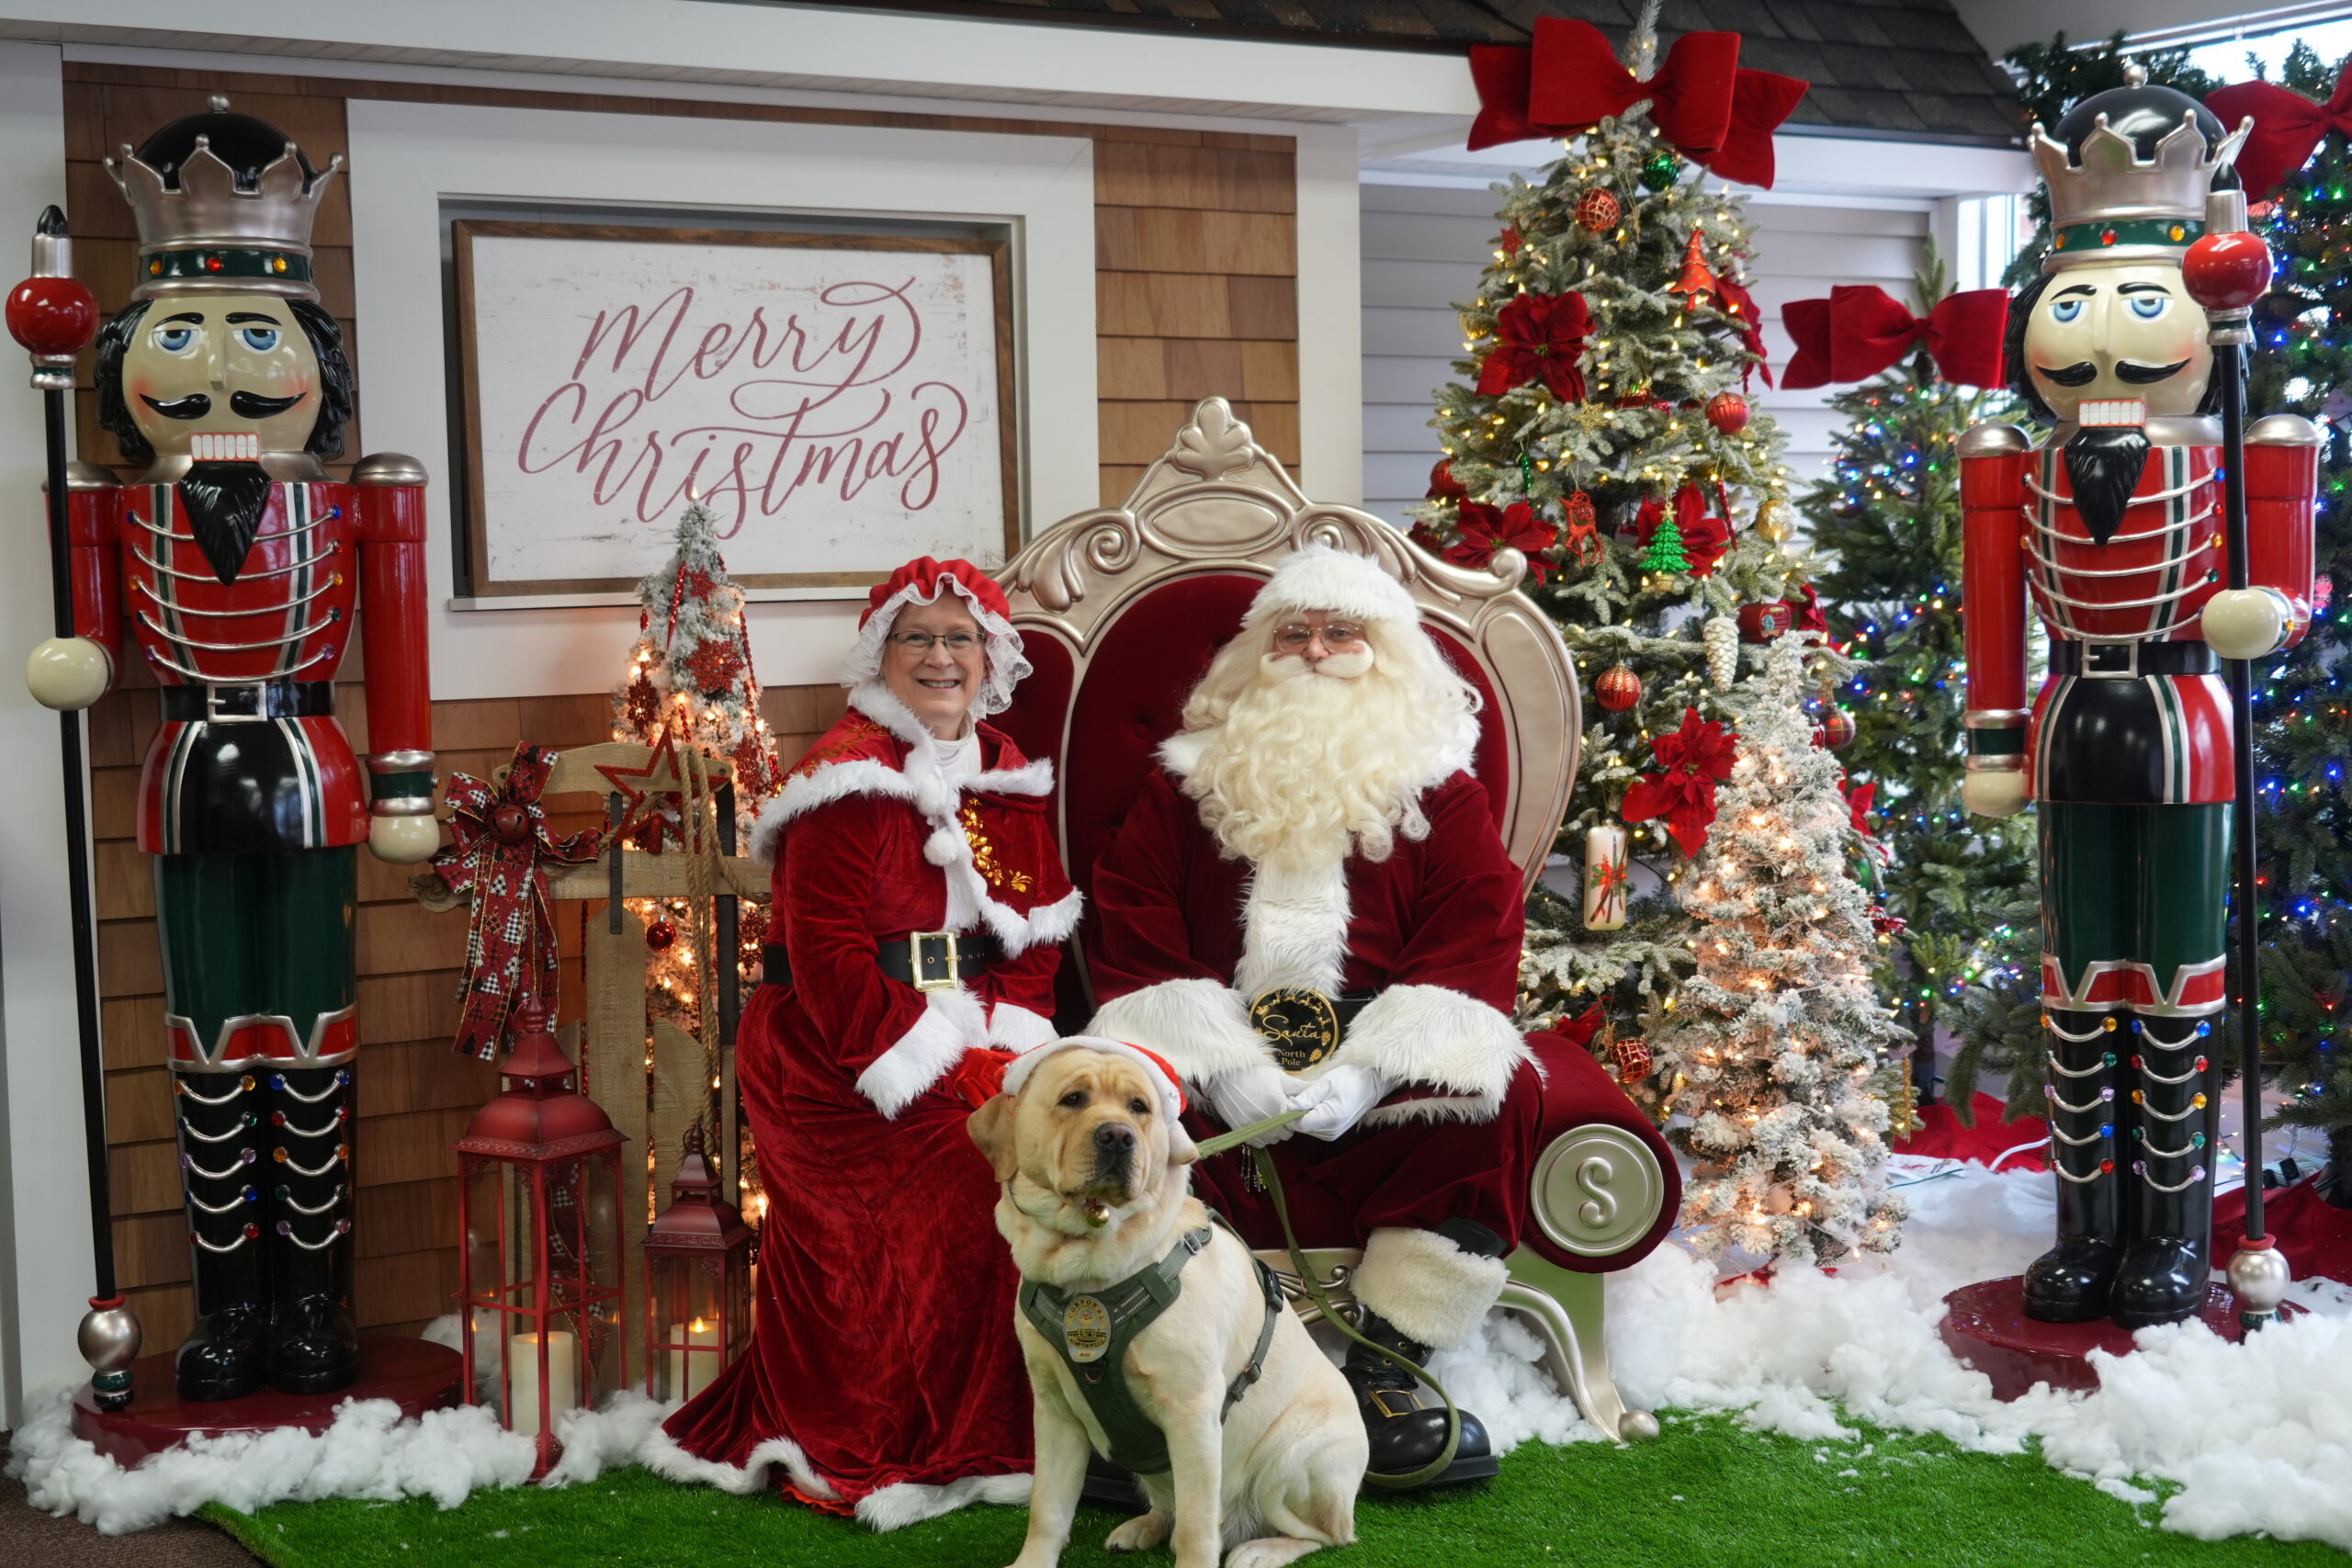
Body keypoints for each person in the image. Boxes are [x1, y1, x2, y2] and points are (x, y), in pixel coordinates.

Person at [40, 96, 435, 1402]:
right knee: (208, 1041)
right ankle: (230, 1307)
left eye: (258, 332)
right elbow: (94, 638)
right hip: (186, 779)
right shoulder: (110, 501)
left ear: (315, 359)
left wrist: (406, 781)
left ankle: (315, 1302)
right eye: (182, 333)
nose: (219, 366)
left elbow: (397, 646)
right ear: (125, 361)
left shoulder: (361, 496)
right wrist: (79, 657)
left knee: (315, 1037)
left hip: (313, 771)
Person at [1960, 74, 2319, 1327]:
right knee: (2077, 982)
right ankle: (2085, 1229)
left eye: (2141, 298)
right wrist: (1993, 735)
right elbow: (1993, 611)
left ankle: (2167, 1236)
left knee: (2175, 983)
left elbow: (2294, 592)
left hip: (2186, 730)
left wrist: (2268, 616)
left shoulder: (2248, 444)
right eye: (2074, 302)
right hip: (2070, 724)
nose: (2102, 335)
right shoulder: (2012, 462)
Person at [1085, 544, 1556, 1489]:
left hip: (1375, 1083)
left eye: (1340, 632)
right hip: (1215, 1078)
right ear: (1254, 654)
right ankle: (1183, 1369)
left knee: (1493, 1100)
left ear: (1385, 654)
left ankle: (1389, 1361)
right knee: (1121, 1117)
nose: (1311, 650)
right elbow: (1134, 921)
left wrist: (1369, 1072)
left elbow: (1475, 930)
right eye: (1292, 632)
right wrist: (1225, 1070)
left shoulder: (1439, 788)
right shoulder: (1184, 785)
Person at [658, 557, 1080, 1528]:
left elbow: (1038, 939)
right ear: (880, 656)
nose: (940, 658)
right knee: (962, 1182)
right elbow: (826, 955)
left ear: (991, 657)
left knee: (1045, 1162)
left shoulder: (1008, 774)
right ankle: (894, 1432)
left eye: (959, 638)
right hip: (836, 1057)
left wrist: (1008, 1049)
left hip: (975, 1036)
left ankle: (1018, 1426)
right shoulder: (846, 775)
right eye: (916, 638)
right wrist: (941, 1062)